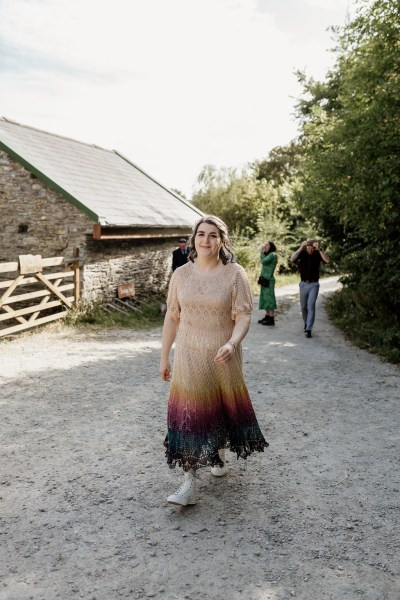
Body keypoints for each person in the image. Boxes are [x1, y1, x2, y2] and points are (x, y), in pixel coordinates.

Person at [159, 215, 268, 506]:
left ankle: (216, 452)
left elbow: (243, 315)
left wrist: (233, 342)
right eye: (201, 234)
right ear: (194, 239)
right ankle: (189, 483)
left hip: (223, 355)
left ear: (222, 240)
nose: (206, 240)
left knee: (218, 406)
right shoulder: (181, 275)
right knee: (190, 414)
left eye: (212, 235)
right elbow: (172, 316)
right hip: (189, 355)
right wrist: (164, 356)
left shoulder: (235, 274)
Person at [291, 239, 330, 338]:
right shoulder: (302, 253)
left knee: (310, 305)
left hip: (314, 284)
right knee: (303, 307)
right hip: (303, 284)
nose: (309, 248)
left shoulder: (317, 254)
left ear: (313, 246)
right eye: (307, 246)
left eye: (311, 246)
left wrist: (319, 249)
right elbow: (292, 258)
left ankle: (308, 329)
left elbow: (327, 260)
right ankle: (306, 323)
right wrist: (300, 247)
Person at [257, 241, 278, 326]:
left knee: (270, 299)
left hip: (269, 280)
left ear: (272, 246)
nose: (265, 246)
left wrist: (262, 252)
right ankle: (267, 316)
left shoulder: (272, 255)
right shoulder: (268, 254)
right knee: (264, 298)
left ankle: (271, 318)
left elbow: (263, 261)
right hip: (264, 279)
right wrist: (264, 252)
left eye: (267, 245)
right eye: (265, 245)